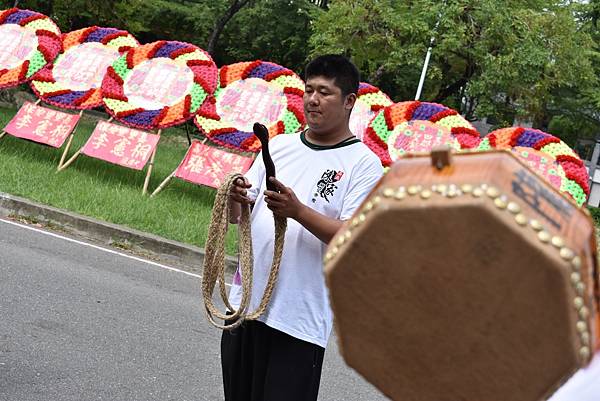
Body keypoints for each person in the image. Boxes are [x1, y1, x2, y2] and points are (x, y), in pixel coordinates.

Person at [222, 54, 384, 401]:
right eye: (308, 89)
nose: (312, 99)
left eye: (324, 92)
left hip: (298, 321)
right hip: (247, 304)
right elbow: (240, 215)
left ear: (349, 101)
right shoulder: (278, 146)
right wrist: (234, 195)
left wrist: (297, 211)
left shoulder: (364, 165)